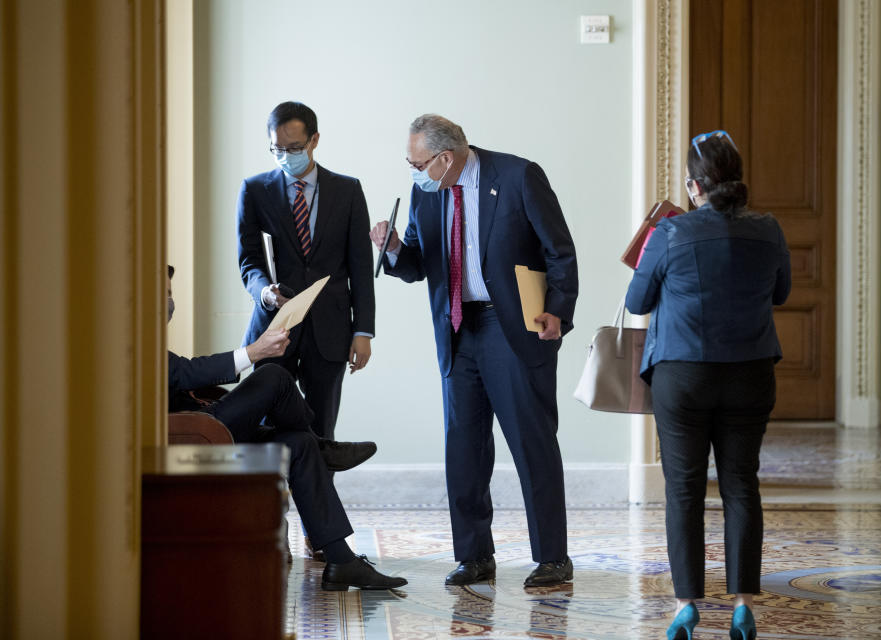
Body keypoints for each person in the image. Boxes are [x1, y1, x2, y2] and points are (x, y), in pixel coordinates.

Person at [370, 114, 578, 587]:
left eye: (418, 162)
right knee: (463, 447)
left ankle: (552, 558)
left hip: (514, 328)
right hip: (458, 330)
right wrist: (395, 247)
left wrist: (558, 311)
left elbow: (560, 251)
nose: (414, 171)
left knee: (531, 443)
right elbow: (419, 264)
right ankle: (474, 556)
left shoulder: (518, 175)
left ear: (446, 157)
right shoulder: (427, 191)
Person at [625, 130, 791, 640]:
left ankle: (686, 607)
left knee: (684, 489)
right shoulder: (769, 229)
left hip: (684, 375)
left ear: (694, 186)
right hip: (750, 372)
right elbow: (780, 293)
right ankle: (743, 604)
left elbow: (637, 302)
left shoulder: (671, 234)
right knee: (742, 485)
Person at [167, 266, 406, 591]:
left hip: (202, 423)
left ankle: (341, 561)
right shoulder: (127, 334)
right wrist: (254, 352)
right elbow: (184, 373)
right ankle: (324, 447)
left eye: (170, 293)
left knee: (298, 444)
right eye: (165, 294)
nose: (169, 302)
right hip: (191, 435)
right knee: (274, 377)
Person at [237, 101, 375, 441]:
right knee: (270, 427)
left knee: (322, 429)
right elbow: (248, 261)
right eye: (277, 149)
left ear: (314, 140)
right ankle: (273, 494)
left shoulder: (348, 191)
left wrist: (364, 331)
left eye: (294, 148)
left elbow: (360, 265)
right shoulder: (255, 191)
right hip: (273, 328)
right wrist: (265, 292)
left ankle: (319, 493)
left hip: (330, 330)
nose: (285, 156)